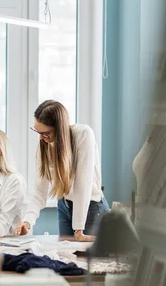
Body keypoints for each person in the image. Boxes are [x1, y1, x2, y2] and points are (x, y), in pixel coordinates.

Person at [16, 100, 108, 241]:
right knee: (65, 258)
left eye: (46, 133)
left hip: (90, 208)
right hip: (64, 205)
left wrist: (79, 230)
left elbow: (82, 185)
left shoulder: (83, 134)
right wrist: (27, 222)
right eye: (38, 132)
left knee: (86, 261)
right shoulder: (45, 145)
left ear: (60, 128)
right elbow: (39, 193)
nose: (41, 138)